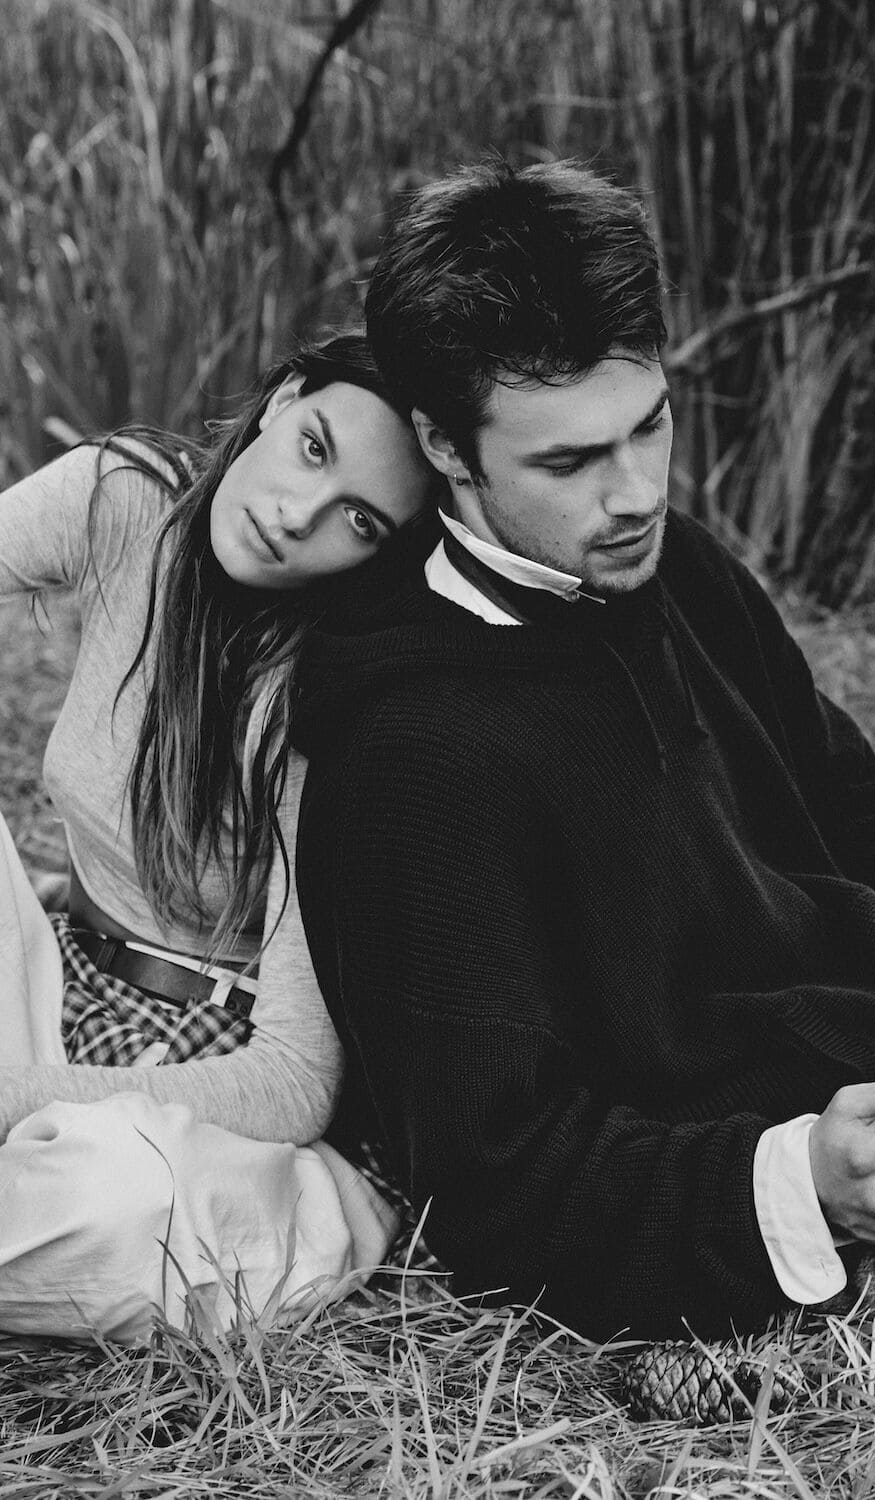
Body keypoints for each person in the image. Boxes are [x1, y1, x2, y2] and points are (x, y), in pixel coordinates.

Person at [291, 159, 875, 1345]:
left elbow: (869, 821)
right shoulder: (412, 752)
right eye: (568, 461)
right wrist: (804, 1182)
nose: (633, 494)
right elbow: (494, 1183)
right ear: (446, 448)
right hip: (838, 1196)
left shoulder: (675, 568)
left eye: (650, 425)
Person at [0, 331, 438, 1341]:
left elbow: (292, 1082)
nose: (295, 516)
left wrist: (18, 1095)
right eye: (315, 447)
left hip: (208, 1097)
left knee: (111, 1202)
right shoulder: (124, 501)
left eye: (359, 520)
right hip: (57, 988)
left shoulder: (338, 696)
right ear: (282, 399)